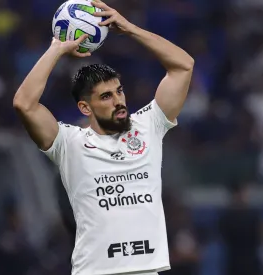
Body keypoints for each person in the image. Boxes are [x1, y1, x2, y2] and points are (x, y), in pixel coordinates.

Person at [13, 0, 194, 274]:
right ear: (85, 107)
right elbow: (24, 104)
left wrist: (131, 29)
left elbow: (183, 66)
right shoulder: (69, 143)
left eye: (119, 91)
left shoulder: (148, 125)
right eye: (106, 97)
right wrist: (57, 48)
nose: (118, 101)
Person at [218, 181, 263, 275]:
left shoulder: (225, 216)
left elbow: (223, 238)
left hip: (237, 262)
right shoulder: (253, 215)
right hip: (246, 262)